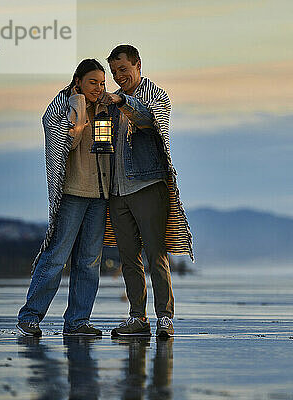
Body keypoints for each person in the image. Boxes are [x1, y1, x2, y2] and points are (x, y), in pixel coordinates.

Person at [98, 44, 194, 338]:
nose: (119, 76)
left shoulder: (156, 95)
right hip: (117, 190)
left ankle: (165, 317)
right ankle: (137, 318)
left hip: (149, 185)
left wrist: (121, 100)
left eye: (123, 70)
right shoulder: (109, 102)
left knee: (157, 254)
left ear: (138, 65)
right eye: (114, 72)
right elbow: (101, 142)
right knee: (128, 257)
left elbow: (148, 121)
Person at [16, 59, 113, 337]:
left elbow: (106, 150)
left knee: (89, 262)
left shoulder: (105, 109)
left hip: (99, 194)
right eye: (93, 82)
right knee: (56, 257)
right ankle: (30, 317)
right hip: (71, 192)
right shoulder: (61, 105)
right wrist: (78, 105)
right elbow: (67, 141)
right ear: (78, 81)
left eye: (102, 83)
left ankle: (78, 322)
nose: (98, 88)